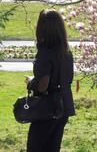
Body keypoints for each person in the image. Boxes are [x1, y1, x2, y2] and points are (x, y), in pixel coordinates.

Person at [25, 9, 75, 152]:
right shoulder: (66, 51)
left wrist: (31, 83)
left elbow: (43, 85)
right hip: (63, 105)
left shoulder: (45, 51)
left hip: (47, 107)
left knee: (36, 147)